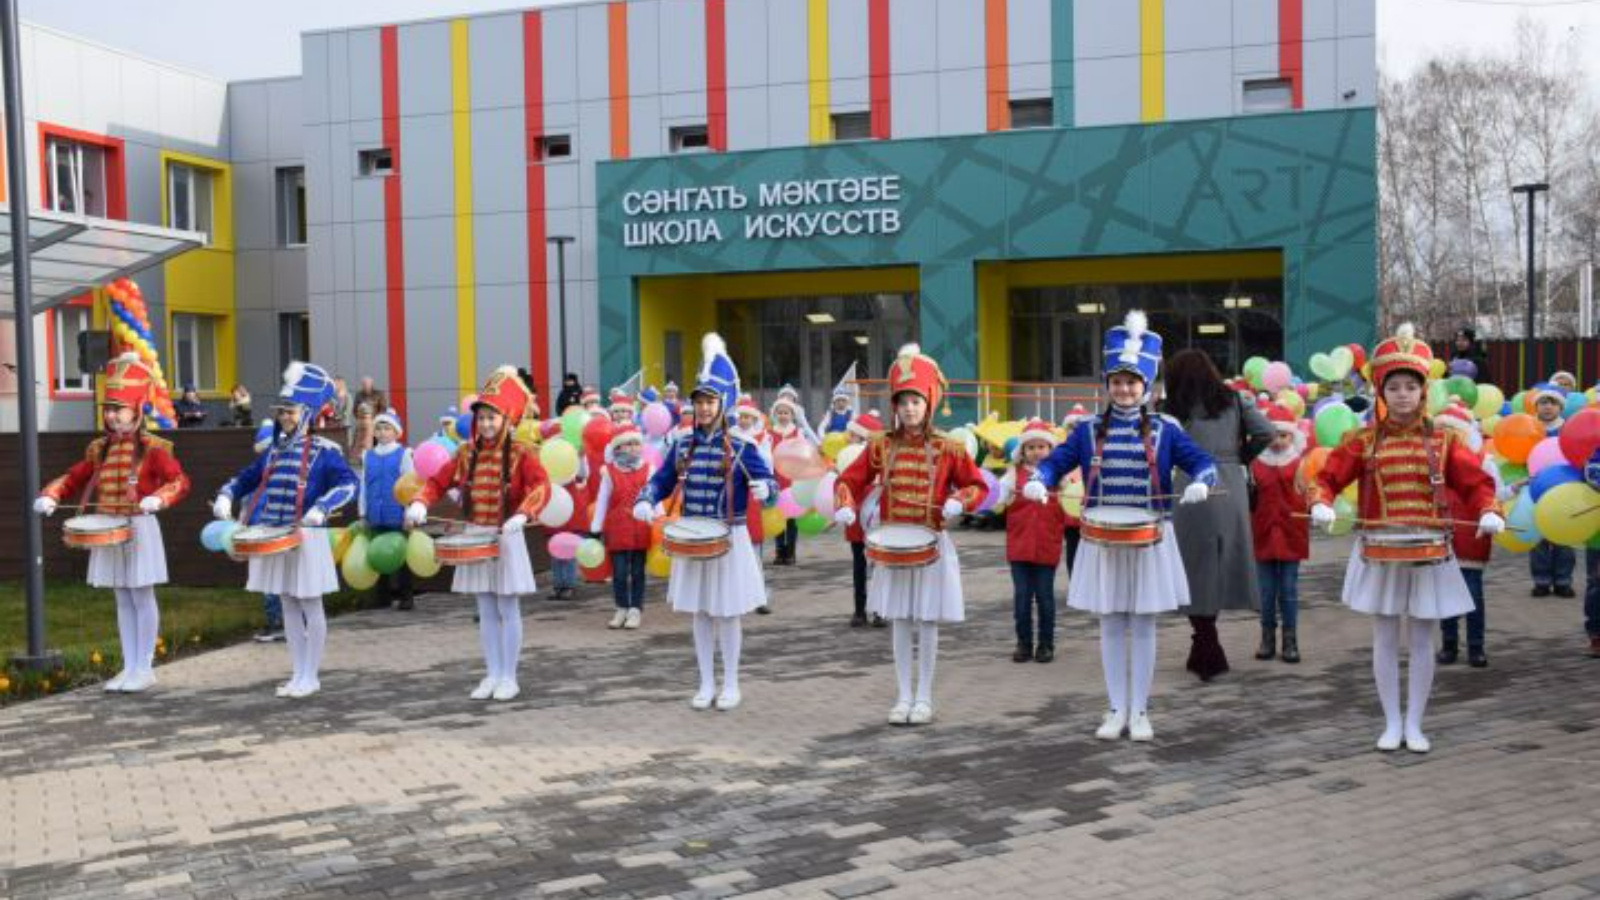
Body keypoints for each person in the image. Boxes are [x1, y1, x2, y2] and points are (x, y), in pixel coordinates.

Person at [1025, 311, 1217, 742]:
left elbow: (1202, 462)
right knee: (1111, 623)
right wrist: (1039, 479)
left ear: (1146, 386)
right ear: (1107, 384)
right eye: (1117, 382)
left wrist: (1202, 483)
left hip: (1150, 540)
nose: (1124, 389)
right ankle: (1115, 708)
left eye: (1132, 382)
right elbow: (1056, 462)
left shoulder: (1167, 429)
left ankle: (1141, 710)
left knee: (1144, 624)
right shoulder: (1087, 430)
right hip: (1102, 541)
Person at [1310, 323, 1501, 753]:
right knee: (1384, 637)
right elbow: (1327, 476)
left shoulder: (1445, 441)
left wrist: (1489, 510)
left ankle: (1414, 723)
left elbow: (1476, 482)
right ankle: (1390, 721)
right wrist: (1321, 501)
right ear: (1381, 391)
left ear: (1423, 391)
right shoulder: (1362, 441)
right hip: (1380, 551)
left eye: (1410, 387)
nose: (1402, 395)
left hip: (1430, 551)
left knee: (1420, 638)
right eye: (1393, 387)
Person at [834, 343, 989, 726]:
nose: (909, 409)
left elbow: (978, 486)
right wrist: (845, 504)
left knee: (927, 621)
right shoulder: (880, 446)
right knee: (901, 621)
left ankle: (924, 696)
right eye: (903, 401)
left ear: (929, 403)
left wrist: (959, 501)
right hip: (893, 548)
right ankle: (903, 695)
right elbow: (847, 480)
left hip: (931, 546)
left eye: (916, 401)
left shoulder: (949, 448)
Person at [635, 333, 777, 711]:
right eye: (698, 401)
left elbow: (770, 484)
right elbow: (661, 479)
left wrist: (766, 489)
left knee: (726, 613)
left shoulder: (742, 446)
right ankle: (705, 682)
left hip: (729, 538)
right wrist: (646, 498)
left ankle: (730, 683)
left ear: (722, 403)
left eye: (709, 401)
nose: (702, 408)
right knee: (699, 613)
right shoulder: (682, 444)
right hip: (692, 537)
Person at [35, 353, 190, 693]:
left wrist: (158, 498)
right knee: (122, 596)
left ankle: (144, 667)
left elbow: (179, 481)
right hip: (109, 527)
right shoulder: (99, 449)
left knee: (141, 595)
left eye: (118, 408)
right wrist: (51, 495)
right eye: (108, 408)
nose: (110, 414)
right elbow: (73, 477)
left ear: (136, 410)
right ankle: (129, 665)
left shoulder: (154, 448)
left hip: (139, 528)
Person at [214, 362, 359, 699]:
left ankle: (311, 675)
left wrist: (321, 508)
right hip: (275, 536)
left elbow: (351, 484)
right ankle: (297, 672)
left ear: (306, 414)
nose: (284, 417)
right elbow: (247, 477)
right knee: (288, 604)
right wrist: (226, 494)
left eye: (290, 411)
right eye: (281, 412)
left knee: (310, 604)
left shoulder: (325, 452)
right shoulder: (274, 452)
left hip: (307, 538)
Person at [407, 367, 551, 701]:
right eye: (482, 417)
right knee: (485, 609)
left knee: (507, 607)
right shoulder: (465, 453)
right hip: (475, 537)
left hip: (507, 537)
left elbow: (541, 486)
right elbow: (437, 481)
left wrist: (523, 514)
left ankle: (510, 677)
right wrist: (419, 502)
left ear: (506, 419)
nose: (485, 424)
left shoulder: (522, 453)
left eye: (492, 418)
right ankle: (492, 673)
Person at [1162, 349, 1274, 683]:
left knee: (1193, 564)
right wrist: (1240, 456)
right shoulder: (1235, 400)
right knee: (1222, 559)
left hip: (1189, 483)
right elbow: (1266, 432)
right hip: (1229, 482)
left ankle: (1205, 641)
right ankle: (1205, 643)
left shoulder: (1172, 408)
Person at [996, 419, 1067, 664]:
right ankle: (1023, 643)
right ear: (1023, 450)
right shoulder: (1012, 476)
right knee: (1022, 598)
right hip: (1019, 546)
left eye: (1042, 447)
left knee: (1045, 597)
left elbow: (1073, 501)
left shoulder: (1059, 476)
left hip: (1047, 545)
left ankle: (1046, 644)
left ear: (1050, 449)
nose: (1037, 452)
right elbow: (995, 498)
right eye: (1031, 447)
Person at [1433, 400, 1498, 668]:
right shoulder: (1432, 463)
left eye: (1452, 431)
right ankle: (1449, 644)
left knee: (1472, 594)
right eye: (1441, 431)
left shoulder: (1483, 461)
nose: (1446, 437)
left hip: (1471, 536)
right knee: (1445, 595)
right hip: (1441, 536)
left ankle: (1475, 646)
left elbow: (1493, 494)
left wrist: (1492, 514)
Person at [1250, 404, 1309, 663]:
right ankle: (1267, 637)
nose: (1277, 441)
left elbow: (1310, 493)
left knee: (1288, 589)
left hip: (1290, 533)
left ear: (1292, 436)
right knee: (1265, 591)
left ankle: (1290, 639)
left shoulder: (1300, 462)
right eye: (1272, 435)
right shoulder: (1254, 463)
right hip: (1262, 532)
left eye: (1283, 435)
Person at [591, 424, 652, 629]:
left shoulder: (647, 469)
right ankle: (621, 608)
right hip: (617, 528)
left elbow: (654, 497)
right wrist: (596, 527)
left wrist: (659, 520)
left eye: (636, 443)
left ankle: (635, 609)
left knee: (638, 572)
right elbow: (602, 500)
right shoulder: (609, 472)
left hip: (641, 528)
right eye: (628, 444)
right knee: (618, 572)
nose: (633, 447)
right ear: (618, 448)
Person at [360, 409, 416, 610]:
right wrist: (363, 512)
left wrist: (409, 513)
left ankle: (406, 596)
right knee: (377, 553)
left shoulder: (403, 454)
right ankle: (382, 597)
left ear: (396, 432)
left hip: (397, 514)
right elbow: (364, 486)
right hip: (375, 514)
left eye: (387, 428)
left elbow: (410, 485)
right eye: (379, 428)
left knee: (401, 555)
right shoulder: (368, 456)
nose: (382, 432)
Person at [1529, 382, 1576, 598]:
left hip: (1564, 489)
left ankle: (1563, 581)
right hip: (1535, 488)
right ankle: (1541, 581)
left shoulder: (1568, 429)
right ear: (1536, 406)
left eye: (1553, 403)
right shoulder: (1528, 428)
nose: (1548, 407)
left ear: (1561, 407)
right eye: (1543, 402)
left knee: (1563, 537)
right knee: (1538, 538)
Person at [841, 412, 885, 628]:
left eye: (852, 434)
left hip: (875, 516)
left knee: (879, 565)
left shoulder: (877, 455)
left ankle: (879, 610)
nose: (848, 437)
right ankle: (860, 610)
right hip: (855, 516)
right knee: (859, 565)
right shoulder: (847, 455)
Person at [768, 393, 816, 566]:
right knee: (777, 516)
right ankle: (779, 551)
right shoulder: (769, 434)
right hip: (775, 479)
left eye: (786, 413)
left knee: (791, 516)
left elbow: (804, 453)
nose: (783, 416)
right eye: (780, 412)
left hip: (792, 479)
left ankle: (791, 552)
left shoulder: (797, 433)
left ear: (792, 415)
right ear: (775, 414)